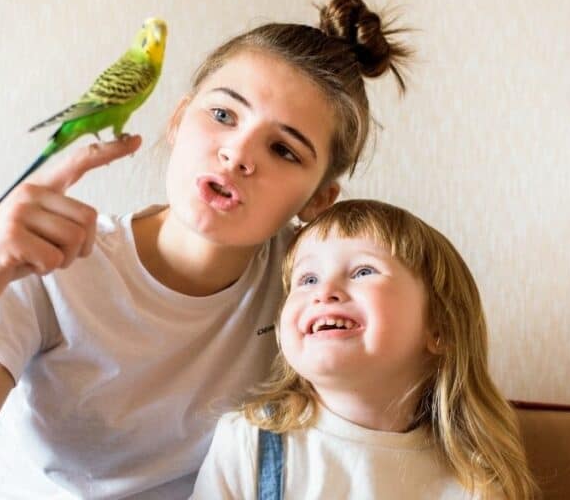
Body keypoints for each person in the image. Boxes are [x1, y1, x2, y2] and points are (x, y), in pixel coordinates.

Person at [0, 0, 411, 500]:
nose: (238, 153)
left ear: (318, 200)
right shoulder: (56, 265)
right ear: (178, 122)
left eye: (284, 149)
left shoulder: (306, 301)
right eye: (223, 114)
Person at [191, 199, 538, 500]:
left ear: (440, 327)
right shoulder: (249, 442)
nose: (324, 291)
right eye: (307, 279)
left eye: (363, 271)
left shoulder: (472, 477)